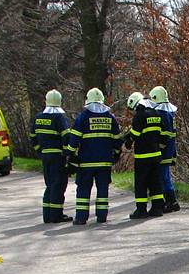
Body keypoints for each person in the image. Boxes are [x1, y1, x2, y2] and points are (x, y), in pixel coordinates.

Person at [65, 88, 122, 225]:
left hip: (86, 162)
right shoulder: (110, 117)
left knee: (83, 190)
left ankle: (81, 218)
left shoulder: (83, 117)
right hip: (104, 162)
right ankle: (102, 217)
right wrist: (116, 153)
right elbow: (117, 140)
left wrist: (70, 154)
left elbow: (74, 139)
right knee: (103, 190)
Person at [30, 89, 72, 223]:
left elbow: (33, 138)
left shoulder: (38, 118)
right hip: (57, 157)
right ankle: (56, 215)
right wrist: (67, 153)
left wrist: (39, 152)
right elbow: (67, 137)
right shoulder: (59, 118)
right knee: (58, 185)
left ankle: (47, 215)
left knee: (49, 185)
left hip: (45, 157)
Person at [125, 91, 168, 219]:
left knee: (141, 183)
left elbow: (136, 134)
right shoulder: (156, 113)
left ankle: (141, 210)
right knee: (155, 182)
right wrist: (159, 147)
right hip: (156, 156)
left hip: (142, 157)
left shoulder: (140, 114)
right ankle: (157, 208)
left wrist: (128, 141)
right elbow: (164, 134)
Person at [149, 85, 180, 212]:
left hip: (163, 151)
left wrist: (158, 148)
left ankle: (170, 202)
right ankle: (172, 202)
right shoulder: (170, 113)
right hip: (169, 150)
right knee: (166, 176)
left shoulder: (162, 114)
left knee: (163, 177)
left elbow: (164, 135)